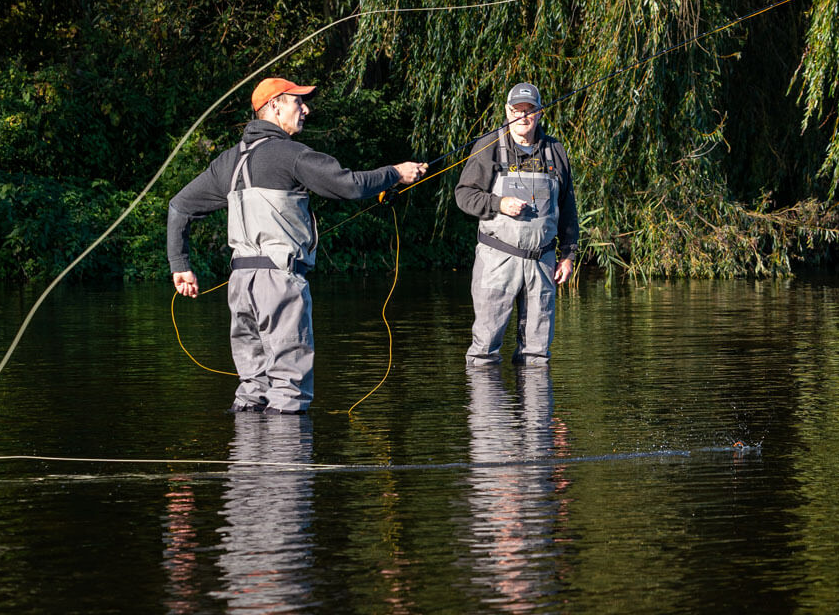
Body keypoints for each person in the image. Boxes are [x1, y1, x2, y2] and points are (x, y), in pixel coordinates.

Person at [167, 77, 426, 413]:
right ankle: (288, 462)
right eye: (297, 102)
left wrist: (180, 265)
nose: (306, 109)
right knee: (289, 389)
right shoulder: (291, 154)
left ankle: (248, 463)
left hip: (241, 286)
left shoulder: (228, 162)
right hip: (280, 283)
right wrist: (394, 172)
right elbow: (347, 185)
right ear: (274, 106)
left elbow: (179, 207)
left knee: (252, 388)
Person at [454, 83, 578, 365]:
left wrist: (568, 255)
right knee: (485, 348)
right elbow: (464, 195)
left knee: (537, 353)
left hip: (542, 262)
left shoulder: (555, 150)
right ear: (507, 112)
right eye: (517, 111)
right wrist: (499, 203)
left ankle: (537, 409)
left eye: (529, 110)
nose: (523, 117)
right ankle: (489, 408)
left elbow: (568, 208)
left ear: (539, 113)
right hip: (497, 259)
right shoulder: (488, 147)